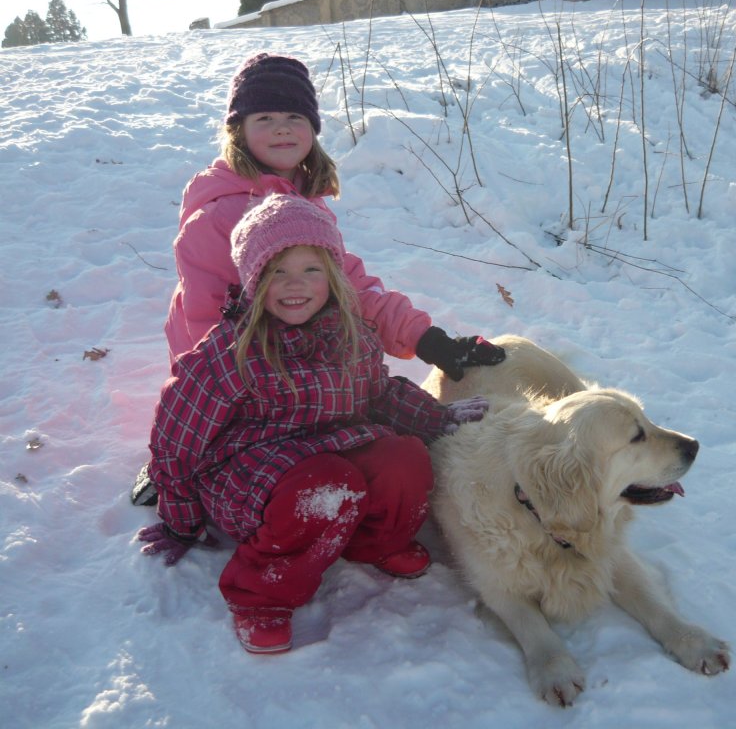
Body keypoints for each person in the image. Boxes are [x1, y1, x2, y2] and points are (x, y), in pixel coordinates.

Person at [131, 51, 503, 506]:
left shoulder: (305, 202)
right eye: (264, 118)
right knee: (260, 448)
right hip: (238, 372)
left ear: (313, 127)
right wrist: (212, 412)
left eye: (294, 117)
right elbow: (202, 325)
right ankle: (182, 466)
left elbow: (348, 286)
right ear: (238, 131)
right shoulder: (217, 215)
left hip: (298, 352)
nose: (282, 129)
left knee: (363, 431)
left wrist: (426, 339)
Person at [137, 194, 489, 655]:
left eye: (311, 269)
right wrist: (179, 519)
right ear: (254, 280)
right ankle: (261, 593)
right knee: (328, 483)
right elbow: (177, 438)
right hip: (253, 479)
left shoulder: (350, 334)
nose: (295, 284)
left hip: (332, 454)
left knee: (402, 458)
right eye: (277, 272)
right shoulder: (230, 352)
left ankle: (375, 541)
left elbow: (379, 395)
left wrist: (437, 418)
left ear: (334, 276)